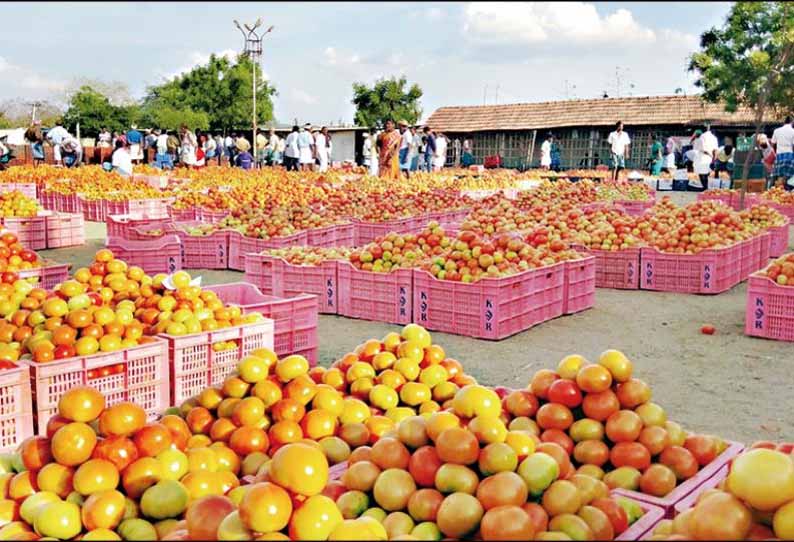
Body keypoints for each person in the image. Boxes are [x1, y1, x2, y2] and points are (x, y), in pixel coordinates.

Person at [772, 115, 794, 189]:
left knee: (780, 176)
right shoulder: (793, 131)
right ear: (792, 122)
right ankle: (788, 191)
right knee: (789, 176)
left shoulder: (776, 131)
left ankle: (779, 191)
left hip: (779, 156)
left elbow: (773, 143)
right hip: (790, 155)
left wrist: (775, 153)